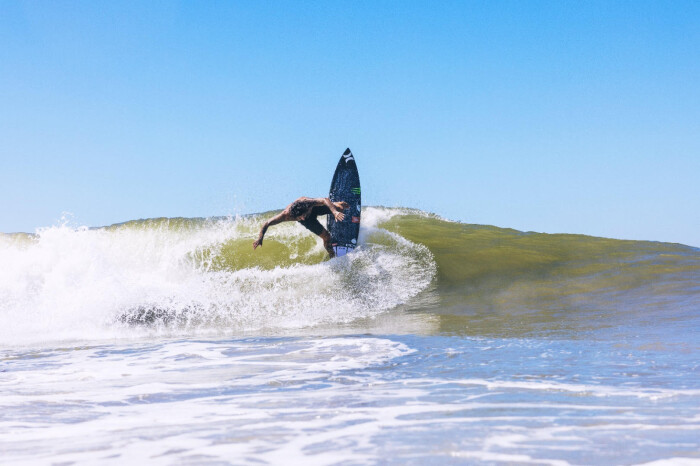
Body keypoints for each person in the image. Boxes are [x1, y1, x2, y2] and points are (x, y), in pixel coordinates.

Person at [253, 197, 350, 258]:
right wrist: (260, 238)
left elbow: (325, 200)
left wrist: (334, 212)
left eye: (303, 214)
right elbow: (267, 223)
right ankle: (332, 255)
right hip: (308, 221)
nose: (302, 217)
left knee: (340, 208)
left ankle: (337, 204)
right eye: (300, 217)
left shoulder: (306, 202)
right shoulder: (286, 215)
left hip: (314, 209)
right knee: (327, 237)